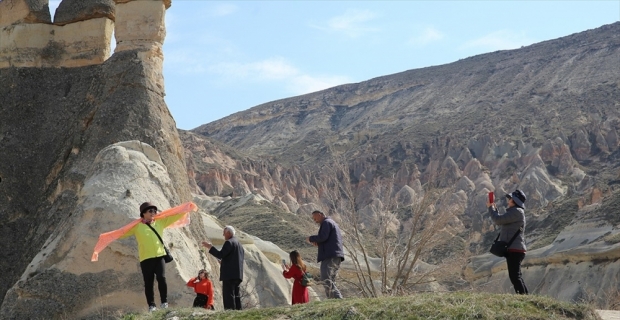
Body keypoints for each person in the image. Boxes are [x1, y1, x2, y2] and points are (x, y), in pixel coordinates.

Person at [120, 202, 187, 312]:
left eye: (155, 211)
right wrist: (108, 237)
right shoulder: (136, 227)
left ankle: (164, 302)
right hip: (146, 258)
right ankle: (152, 306)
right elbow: (122, 233)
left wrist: (186, 208)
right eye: (150, 211)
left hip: (159, 256)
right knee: (148, 283)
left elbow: (174, 216)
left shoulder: (159, 222)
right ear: (143, 213)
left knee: (162, 277)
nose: (154, 213)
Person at [487, 189, 529, 295]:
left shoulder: (517, 212)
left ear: (514, 201)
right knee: (516, 276)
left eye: (510, 198)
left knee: (515, 277)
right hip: (515, 249)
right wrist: (495, 210)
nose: (508, 200)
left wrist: (490, 208)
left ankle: (523, 298)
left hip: (515, 249)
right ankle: (525, 298)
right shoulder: (515, 212)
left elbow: (498, 220)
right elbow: (500, 219)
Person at [202, 226, 245, 310]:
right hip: (238, 274)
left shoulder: (229, 242)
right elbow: (234, 259)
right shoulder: (240, 245)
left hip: (229, 274)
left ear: (228, 233)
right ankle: (238, 312)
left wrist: (210, 247)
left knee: (228, 295)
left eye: (224, 233)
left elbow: (220, 254)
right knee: (236, 295)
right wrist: (224, 262)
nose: (223, 235)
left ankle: (230, 313)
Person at [307, 210, 344, 299]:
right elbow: (327, 239)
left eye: (315, 218)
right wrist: (319, 243)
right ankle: (333, 301)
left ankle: (338, 299)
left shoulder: (326, 223)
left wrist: (311, 238)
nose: (314, 220)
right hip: (336, 255)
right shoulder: (331, 222)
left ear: (320, 215)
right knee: (331, 279)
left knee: (325, 278)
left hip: (330, 255)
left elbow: (323, 237)